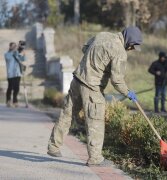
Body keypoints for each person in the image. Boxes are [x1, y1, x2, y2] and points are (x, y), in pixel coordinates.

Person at [47, 26, 142, 166]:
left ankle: (53, 147)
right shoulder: (120, 52)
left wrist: (95, 62)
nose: (132, 49)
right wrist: (128, 93)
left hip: (78, 79)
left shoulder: (103, 35)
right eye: (133, 46)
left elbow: (85, 48)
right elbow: (117, 80)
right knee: (95, 121)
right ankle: (95, 158)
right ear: (129, 41)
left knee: (67, 114)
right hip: (92, 87)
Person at [4, 42, 26, 107]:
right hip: (10, 74)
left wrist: (23, 53)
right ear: (10, 47)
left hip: (17, 73)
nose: (14, 47)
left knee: (16, 88)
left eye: (15, 46)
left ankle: (15, 101)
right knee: (10, 87)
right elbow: (9, 59)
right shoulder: (7, 54)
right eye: (13, 46)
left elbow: (23, 59)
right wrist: (15, 51)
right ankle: (8, 100)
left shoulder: (17, 53)